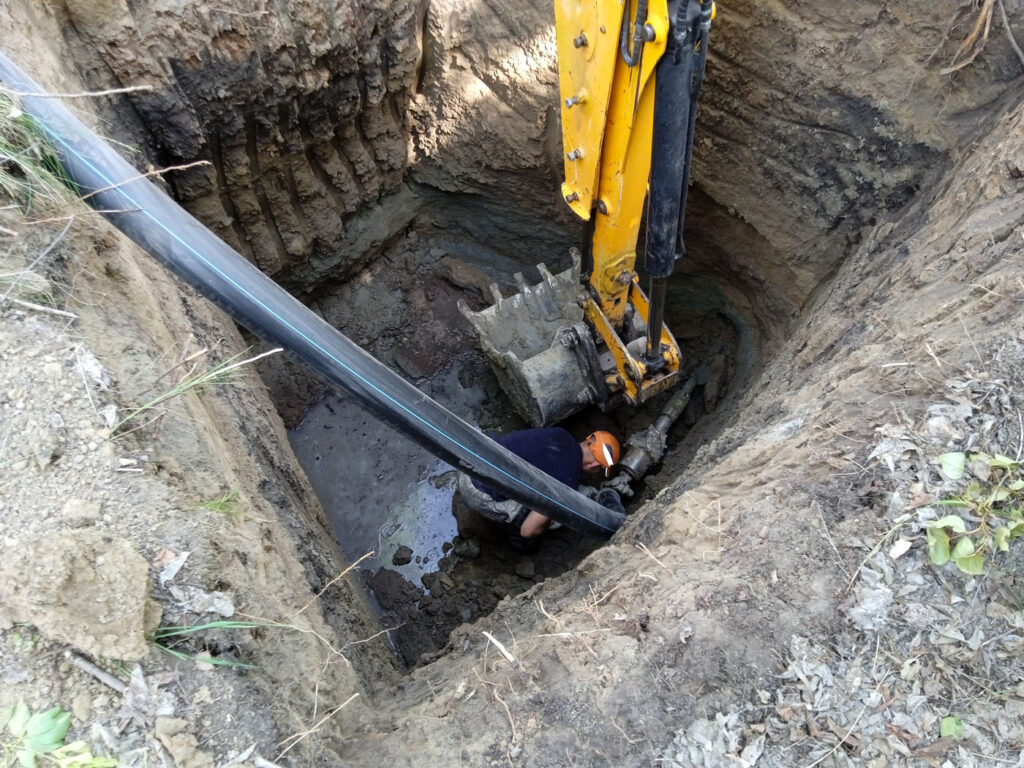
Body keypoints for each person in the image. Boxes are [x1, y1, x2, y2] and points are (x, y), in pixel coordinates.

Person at [456, 427, 622, 541]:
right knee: (540, 521)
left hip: (468, 456)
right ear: (595, 466)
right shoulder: (566, 481)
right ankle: (519, 548)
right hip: (477, 492)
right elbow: (527, 530)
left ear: (589, 438)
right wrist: (544, 527)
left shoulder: (560, 433)